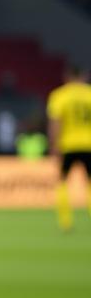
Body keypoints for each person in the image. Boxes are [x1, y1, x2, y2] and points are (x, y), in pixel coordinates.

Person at [46, 65, 91, 232]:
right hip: (89, 144)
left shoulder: (60, 95)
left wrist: (53, 144)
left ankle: (65, 222)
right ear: (85, 76)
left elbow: (55, 122)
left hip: (68, 145)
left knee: (62, 182)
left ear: (67, 77)